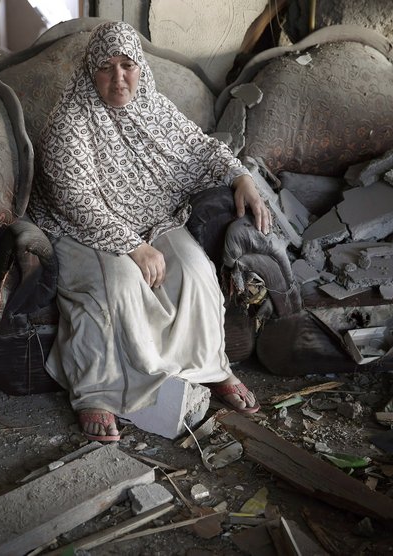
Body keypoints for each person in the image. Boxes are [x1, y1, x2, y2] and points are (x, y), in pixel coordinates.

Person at [28, 21, 272, 442]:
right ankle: (98, 393)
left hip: (150, 215)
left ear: (140, 67)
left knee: (195, 273)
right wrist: (133, 248)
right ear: (91, 72)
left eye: (128, 65)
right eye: (107, 68)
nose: (119, 78)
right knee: (120, 285)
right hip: (81, 227)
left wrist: (239, 176)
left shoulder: (152, 105)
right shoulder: (69, 124)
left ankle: (209, 370)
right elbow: (76, 201)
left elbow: (199, 146)